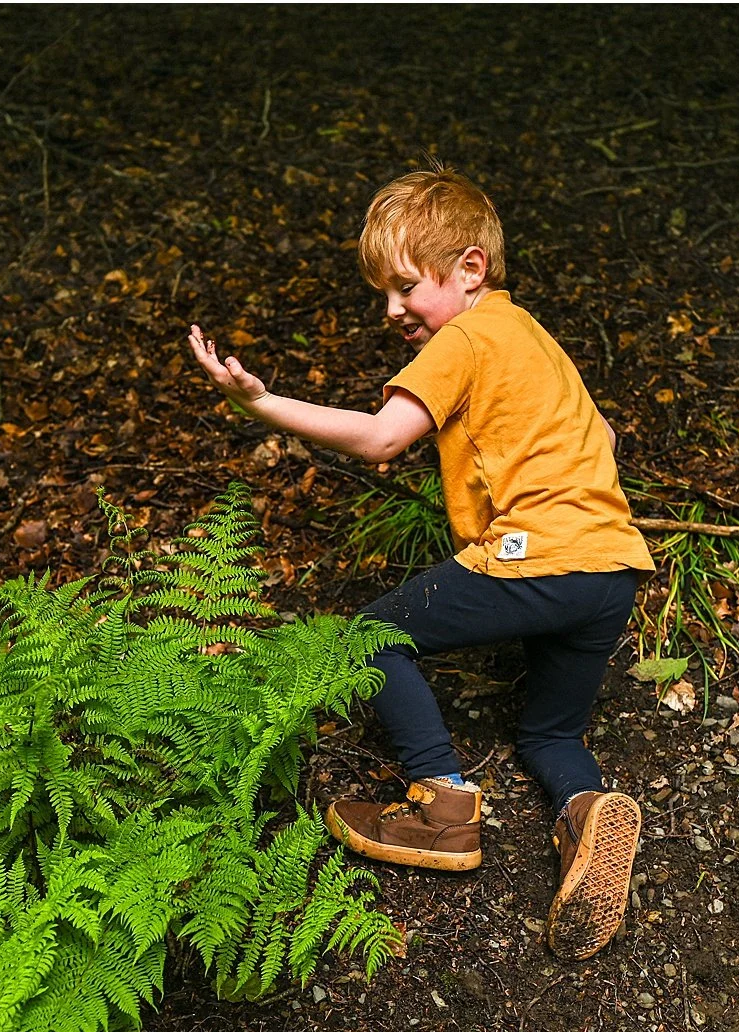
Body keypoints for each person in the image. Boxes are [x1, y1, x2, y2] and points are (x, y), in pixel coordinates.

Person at [186, 167, 653, 961]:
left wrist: (258, 403)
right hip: (610, 570)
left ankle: (441, 802)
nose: (392, 309)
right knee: (548, 731)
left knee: (371, 634)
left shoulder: (465, 336)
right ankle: (586, 808)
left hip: (536, 554)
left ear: (470, 268)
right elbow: (603, 438)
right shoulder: (530, 334)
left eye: (405, 286)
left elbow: (380, 437)